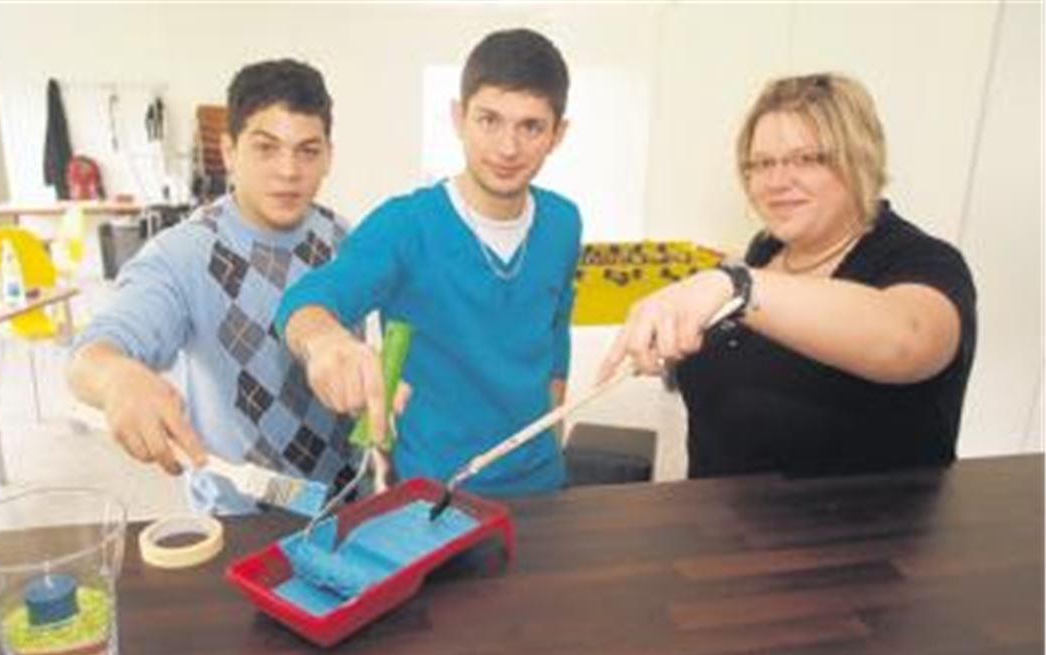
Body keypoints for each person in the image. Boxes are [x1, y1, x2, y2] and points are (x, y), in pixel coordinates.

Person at [599, 73, 976, 479]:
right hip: (718, 515)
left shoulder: (922, 260)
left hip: (861, 521)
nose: (776, 182)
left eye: (807, 159)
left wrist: (736, 285)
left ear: (861, 160)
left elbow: (907, 341)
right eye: (762, 164)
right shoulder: (767, 251)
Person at [275, 28, 580, 497]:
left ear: (558, 134)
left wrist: (551, 435)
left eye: (531, 127)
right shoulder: (404, 225)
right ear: (459, 117)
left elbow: (556, 332)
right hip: (434, 496)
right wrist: (324, 341)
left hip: (543, 485)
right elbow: (308, 299)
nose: (507, 148)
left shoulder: (563, 220)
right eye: (489, 120)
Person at [67, 59, 364, 514]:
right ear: (229, 152)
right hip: (236, 517)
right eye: (265, 148)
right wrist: (116, 378)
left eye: (307, 150)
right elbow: (90, 355)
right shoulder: (181, 253)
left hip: (346, 501)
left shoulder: (348, 241)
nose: (288, 170)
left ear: (329, 156)